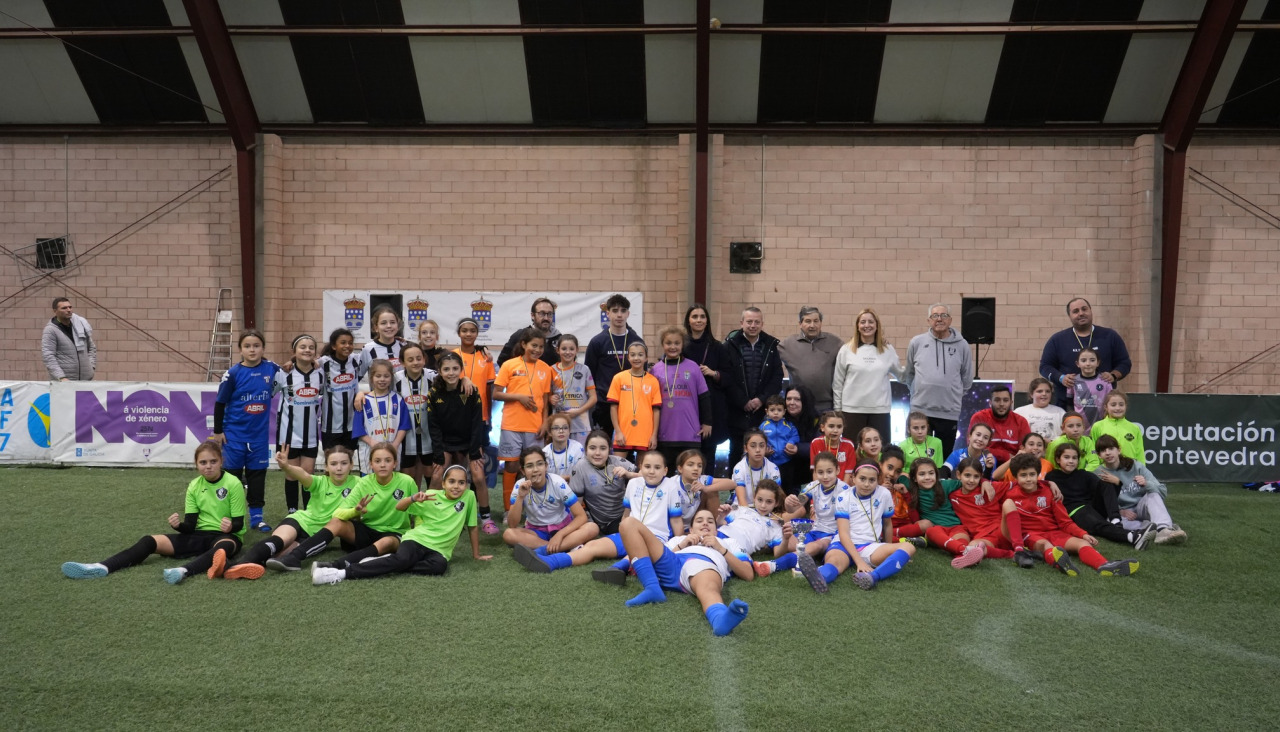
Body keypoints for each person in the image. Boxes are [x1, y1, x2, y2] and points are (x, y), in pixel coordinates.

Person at [61, 441, 244, 583]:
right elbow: (190, 526)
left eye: (213, 461)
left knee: (221, 549)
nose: (208, 466)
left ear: (221, 461)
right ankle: (101, 567)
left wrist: (230, 527)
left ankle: (183, 571)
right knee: (149, 541)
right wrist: (178, 526)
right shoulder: (194, 486)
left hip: (226, 537)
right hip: (198, 535)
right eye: (203, 462)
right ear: (196, 465)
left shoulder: (233, 483)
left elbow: (239, 524)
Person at [311, 464, 493, 585]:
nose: (456, 486)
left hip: (439, 551)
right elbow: (400, 507)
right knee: (402, 560)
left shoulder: (469, 497)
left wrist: (476, 554)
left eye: (461, 482)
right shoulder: (430, 496)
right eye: (451, 481)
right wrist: (413, 498)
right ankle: (341, 573)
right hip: (417, 540)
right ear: (443, 484)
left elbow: (472, 527)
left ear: (466, 485)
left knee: (439, 567)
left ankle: (381, 561)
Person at [512, 448, 669, 575]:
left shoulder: (671, 485)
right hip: (625, 534)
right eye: (647, 467)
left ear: (666, 470)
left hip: (655, 538)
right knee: (591, 546)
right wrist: (520, 497)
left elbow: (678, 518)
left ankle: (617, 568)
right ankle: (550, 558)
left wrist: (678, 543)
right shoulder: (634, 484)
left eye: (657, 467)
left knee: (595, 530)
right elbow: (626, 513)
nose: (651, 471)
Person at [265, 442, 414, 571]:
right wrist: (355, 511)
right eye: (378, 460)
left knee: (387, 542)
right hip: (367, 532)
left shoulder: (407, 482)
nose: (382, 464)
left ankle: (335, 566)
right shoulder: (364, 483)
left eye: (388, 460)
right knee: (336, 522)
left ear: (395, 463)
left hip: (393, 534)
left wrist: (417, 542)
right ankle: (294, 558)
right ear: (370, 464)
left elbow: (418, 514)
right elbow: (338, 513)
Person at [604, 510, 753, 637]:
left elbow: (748, 574)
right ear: (691, 529)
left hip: (704, 563)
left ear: (716, 530)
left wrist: (720, 548)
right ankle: (652, 588)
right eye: (699, 521)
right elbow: (653, 555)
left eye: (710, 521)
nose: (705, 523)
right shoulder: (679, 539)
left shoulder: (729, 542)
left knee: (706, 585)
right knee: (628, 523)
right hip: (673, 562)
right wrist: (682, 545)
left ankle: (719, 619)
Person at [223, 446, 357, 580]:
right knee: (278, 541)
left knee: (278, 556)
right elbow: (303, 475)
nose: (339, 468)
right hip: (299, 520)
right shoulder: (320, 481)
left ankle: (237, 567)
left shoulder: (358, 484)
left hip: (316, 536)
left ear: (351, 465)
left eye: (344, 463)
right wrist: (287, 466)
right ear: (326, 467)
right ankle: (235, 566)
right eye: (333, 464)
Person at [1002, 453, 1138, 577]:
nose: (1028, 479)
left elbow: (1065, 521)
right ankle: (1061, 563)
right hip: (1030, 535)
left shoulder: (1051, 491)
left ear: (1038, 474)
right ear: (1015, 477)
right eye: (1023, 475)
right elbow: (990, 485)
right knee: (1046, 545)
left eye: (1032, 474)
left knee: (1082, 543)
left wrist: (1082, 534)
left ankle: (1104, 565)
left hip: (1055, 532)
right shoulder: (1008, 491)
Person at [798, 462, 915, 592]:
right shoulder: (843, 497)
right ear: (853, 478)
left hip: (870, 547)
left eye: (872, 480)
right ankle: (821, 578)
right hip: (843, 544)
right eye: (862, 479)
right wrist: (859, 562)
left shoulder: (884, 494)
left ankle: (872, 576)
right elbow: (843, 534)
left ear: (878, 480)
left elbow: (887, 524)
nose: (867, 484)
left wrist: (890, 552)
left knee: (908, 547)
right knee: (834, 562)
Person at [212, 329, 280, 533]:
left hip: (259, 437)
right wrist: (218, 431)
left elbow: (291, 370)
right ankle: (229, 517)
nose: (252, 350)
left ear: (263, 348)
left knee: (257, 477)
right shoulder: (232, 374)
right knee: (231, 478)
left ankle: (257, 518)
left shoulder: (272, 368)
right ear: (240, 349)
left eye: (256, 346)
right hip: (234, 435)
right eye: (247, 346)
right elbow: (220, 403)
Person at [1046, 442, 1157, 553]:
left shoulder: (1083, 474)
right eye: (1066, 457)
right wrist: (1050, 483)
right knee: (1100, 524)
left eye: (1074, 458)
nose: (1071, 461)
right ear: (1058, 459)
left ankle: (1116, 521)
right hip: (1075, 513)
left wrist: (1117, 483)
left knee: (1106, 482)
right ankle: (1133, 537)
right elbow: (1042, 488)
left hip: (1092, 508)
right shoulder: (1052, 476)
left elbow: (1106, 492)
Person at [427, 351, 495, 532]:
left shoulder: (471, 390)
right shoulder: (433, 393)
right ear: (439, 371)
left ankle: (486, 518)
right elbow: (433, 426)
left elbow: (476, 423)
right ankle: (429, 514)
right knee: (437, 476)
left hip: (468, 441)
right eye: (446, 369)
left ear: (461, 370)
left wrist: (475, 451)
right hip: (446, 442)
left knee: (478, 476)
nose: (451, 373)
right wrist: (438, 452)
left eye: (455, 369)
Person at [493, 330, 562, 507]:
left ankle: (534, 506)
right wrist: (519, 397)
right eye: (534, 345)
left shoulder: (545, 368)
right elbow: (496, 394)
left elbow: (545, 400)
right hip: (511, 425)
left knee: (534, 467)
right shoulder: (509, 365)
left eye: (541, 346)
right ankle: (509, 508)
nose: (537, 350)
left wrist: (545, 422)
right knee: (511, 466)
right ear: (524, 344)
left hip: (535, 426)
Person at [901, 304, 972, 456]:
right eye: (935, 316)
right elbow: (909, 374)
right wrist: (918, 392)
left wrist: (953, 395)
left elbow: (967, 378)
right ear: (928, 320)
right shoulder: (916, 342)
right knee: (916, 458)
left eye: (944, 315)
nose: (939, 319)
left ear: (950, 320)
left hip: (948, 412)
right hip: (920, 411)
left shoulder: (962, 345)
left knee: (943, 458)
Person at [1039, 297, 1132, 410]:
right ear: (1069, 316)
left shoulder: (1110, 336)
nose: (1081, 313)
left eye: (1084, 309)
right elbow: (1044, 367)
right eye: (1075, 311)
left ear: (1090, 311)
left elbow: (1124, 363)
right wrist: (1061, 378)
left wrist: (1113, 375)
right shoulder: (1057, 340)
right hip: (1068, 405)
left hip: (1104, 406)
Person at [1094, 435, 1187, 545]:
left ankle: (1163, 529)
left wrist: (1146, 484)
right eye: (1103, 450)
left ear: (1118, 450)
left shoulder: (1135, 465)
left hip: (1141, 507)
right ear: (1099, 455)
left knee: (1153, 494)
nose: (1108, 453)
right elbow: (1098, 505)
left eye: (1111, 448)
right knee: (1111, 521)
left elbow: (1162, 491)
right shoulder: (1097, 474)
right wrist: (1119, 511)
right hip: (1124, 514)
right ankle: (1156, 529)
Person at [504, 448, 598, 551]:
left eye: (540, 464)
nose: (535, 469)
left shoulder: (558, 483)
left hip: (563, 527)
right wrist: (520, 497)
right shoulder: (520, 486)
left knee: (592, 527)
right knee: (508, 534)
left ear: (546, 466)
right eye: (529, 466)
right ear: (523, 471)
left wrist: (560, 535)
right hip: (536, 531)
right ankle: (558, 547)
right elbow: (512, 524)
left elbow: (581, 516)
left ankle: (544, 549)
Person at [723, 307, 783, 470]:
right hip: (736, 410)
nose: (753, 325)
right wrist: (743, 401)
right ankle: (734, 485)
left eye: (757, 322)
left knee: (761, 452)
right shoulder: (729, 346)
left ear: (762, 324)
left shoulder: (771, 346)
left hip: (761, 412)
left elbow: (777, 377)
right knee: (736, 452)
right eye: (749, 321)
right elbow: (727, 377)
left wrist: (761, 400)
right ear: (741, 323)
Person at [832, 308, 902, 442]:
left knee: (880, 450)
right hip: (851, 410)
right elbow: (838, 382)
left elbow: (901, 375)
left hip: (880, 410)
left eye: (871, 322)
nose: (867, 325)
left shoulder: (887, 349)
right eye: (863, 322)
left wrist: (915, 365)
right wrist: (838, 410)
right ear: (857, 326)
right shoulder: (846, 350)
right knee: (853, 450)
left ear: (877, 325)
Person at [683, 304, 736, 474]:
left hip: (712, 408)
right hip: (687, 406)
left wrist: (713, 373)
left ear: (707, 321)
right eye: (694, 316)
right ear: (688, 321)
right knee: (687, 454)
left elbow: (729, 377)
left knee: (708, 453)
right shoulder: (681, 346)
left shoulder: (718, 347)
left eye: (702, 316)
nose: (699, 320)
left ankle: (707, 487)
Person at [275, 334, 325, 513]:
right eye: (302, 347)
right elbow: (269, 393)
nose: (307, 350)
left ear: (315, 352)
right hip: (288, 435)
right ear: (294, 351)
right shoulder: (284, 373)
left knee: (308, 475)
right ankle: (292, 511)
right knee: (291, 474)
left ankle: (309, 511)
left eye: (311, 347)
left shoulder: (320, 374)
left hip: (310, 434)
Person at [651, 326, 711, 474]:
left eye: (677, 343)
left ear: (683, 344)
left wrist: (707, 422)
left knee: (692, 475)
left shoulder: (693, 367)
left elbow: (704, 396)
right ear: (662, 344)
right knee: (667, 476)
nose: (673, 347)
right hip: (665, 433)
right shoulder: (656, 370)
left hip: (690, 433)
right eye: (668, 343)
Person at [586, 294, 643, 437]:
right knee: (602, 443)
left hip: (630, 403)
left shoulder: (636, 341)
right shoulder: (597, 342)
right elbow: (589, 375)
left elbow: (643, 372)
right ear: (608, 313)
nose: (619, 315)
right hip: (603, 403)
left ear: (628, 314)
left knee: (627, 444)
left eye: (623, 311)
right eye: (615, 310)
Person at [945, 456, 1018, 564]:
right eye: (967, 475)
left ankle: (1018, 550)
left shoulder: (990, 487)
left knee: (1009, 504)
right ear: (958, 475)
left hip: (1001, 530)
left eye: (976, 476)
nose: (971, 480)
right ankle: (1010, 554)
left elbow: (1018, 484)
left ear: (981, 476)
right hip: (982, 537)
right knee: (972, 547)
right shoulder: (953, 495)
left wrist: (985, 481)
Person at [567, 431, 638, 536]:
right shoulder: (580, 468)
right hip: (608, 523)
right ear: (586, 449)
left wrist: (629, 474)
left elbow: (647, 477)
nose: (597, 453)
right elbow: (576, 506)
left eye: (603, 448)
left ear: (609, 449)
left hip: (631, 513)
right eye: (592, 448)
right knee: (632, 534)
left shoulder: (618, 461)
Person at [777, 306, 842, 413]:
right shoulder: (787, 345)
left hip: (827, 406)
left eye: (816, 321)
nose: (812, 325)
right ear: (800, 324)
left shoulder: (835, 343)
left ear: (821, 323)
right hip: (799, 407)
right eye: (808, 321)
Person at [353, 359, 410, 473]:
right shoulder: (363, 401)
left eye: (386, 376)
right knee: (369, 481)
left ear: (391, 377)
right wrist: (372, 443)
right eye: (378, 376)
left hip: (393, 448)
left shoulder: (398, 400)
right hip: (369, 449)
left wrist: (395, 444)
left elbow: (404, 426)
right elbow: (358, 429)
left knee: (391, 480)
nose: (382, 379)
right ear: (371, 378)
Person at [607, 341, 662, 459]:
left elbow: (656, 410)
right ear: (628, 358)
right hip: (623, 434)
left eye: (640, 355)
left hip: (645, 435)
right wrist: (618, 432)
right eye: (632, 355)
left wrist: (654, 435)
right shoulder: (618, 378)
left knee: (644, 469)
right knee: (618, 468)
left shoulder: (653, 381)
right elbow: (613, 407)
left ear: (646, 358)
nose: (636, 358)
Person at [394, 343, 437, 488]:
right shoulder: (395, 379)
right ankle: (411, 501)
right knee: (407, 475)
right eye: (410, 359)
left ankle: (431, 500)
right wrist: (361, 394)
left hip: (429, 434)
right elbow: (379, 392)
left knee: (430, 471)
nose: (415, 362)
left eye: (419, 358)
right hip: (406, 436)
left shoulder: (433, 376)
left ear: (424, 359)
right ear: (402, 362)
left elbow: (454, 379)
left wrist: (465, 380)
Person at [318, 328, 366, 453]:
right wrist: (292, 361)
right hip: (331, 425)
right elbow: (306, 363)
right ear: (334, 346)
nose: (347, 346)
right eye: (343, 343)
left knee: (348, 459)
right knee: (331, 460)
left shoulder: (356, 360)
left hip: (352, 423)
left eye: (350, 343)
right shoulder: (324, 363)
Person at [551, 334, 596, 448]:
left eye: (571, 349)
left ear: (577, 350)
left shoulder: (584, 369)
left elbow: (593, 398)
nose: (568, 352)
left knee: (581, 455)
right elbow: (545, 395)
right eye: (564, 349)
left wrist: (578, 411)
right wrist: (550, 398)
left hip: (581, 424)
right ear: (557, 350)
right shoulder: (551, 370)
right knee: (561, 455)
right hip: (559, 424)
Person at [967, 385, 1031, 464]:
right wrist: (1005, 455)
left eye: (1005, 400)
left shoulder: (1021, 421)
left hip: (1013, 465)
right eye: (997, 400)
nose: (1001, 404)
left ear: (1011, 402)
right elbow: (972, 444)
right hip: (983, 462)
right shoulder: (979, 417)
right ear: (990, 403)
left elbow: (1025, 450)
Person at [453, 317, 496, 428]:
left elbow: (488, 390)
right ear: (459, 333)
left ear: (477, 334)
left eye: (472, 331)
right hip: (456, 411)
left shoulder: (485, 357)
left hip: (480, 413)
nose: (468, 334)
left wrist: (489, 416)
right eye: (464, 331)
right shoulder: (452, 356)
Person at [497, 297, 564, 368]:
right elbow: (502, 361)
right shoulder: (520, 335)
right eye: (542, 313)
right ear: (532, 315)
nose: (546, 318)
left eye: (550, 314)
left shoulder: (559, 339)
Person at [42, 297, 95, 381]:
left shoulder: (80, 325)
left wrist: (91, 367)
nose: (69, 310)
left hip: (85, 380)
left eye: (70, 307)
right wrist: (61, 377)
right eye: (64, 308)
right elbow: (48, 356)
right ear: (55, 311)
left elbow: (91, 348)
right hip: (64, 382)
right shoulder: (51, 330)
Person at [1090, 391, 1145, 464]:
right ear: (1106, 407)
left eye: (1121, 405)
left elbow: (1140, 453)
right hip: (1106, 469)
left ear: (1126, 406)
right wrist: (1098, 468)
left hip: (1129, 469)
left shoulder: (1134, 428)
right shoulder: (1098, 426)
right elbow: (1094, 452)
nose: (1118, 408)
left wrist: (1141, 469)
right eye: (1113, 405)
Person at [731, 430, 780, 506]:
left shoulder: (773, 468)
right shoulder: (739, 468)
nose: (758, 450)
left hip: (764, 507)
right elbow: (741, 500)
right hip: (742, 507)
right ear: (746, 448)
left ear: (766, 447)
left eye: (762, 446)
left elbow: (776, 496)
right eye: (753, 446)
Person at [759, 395, 800, 480]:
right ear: (767, 411)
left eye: (779, 410)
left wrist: (791, 442)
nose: (776, 413)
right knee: (771, 484)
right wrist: (763, 450)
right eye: (772, 410)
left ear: (784, 411)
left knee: (787, 484)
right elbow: (758, 440)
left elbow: (795, 436)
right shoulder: (763, 426)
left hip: (786, 461)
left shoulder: (789, 425)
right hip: (769, 461)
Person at [810, 411, 856, 485]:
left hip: (842, 487)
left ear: (843, 428)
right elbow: (815, 471)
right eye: (831, 426)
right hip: (822, 486)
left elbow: (848, 473)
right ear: (822, 427)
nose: (835, 430)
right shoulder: (815, 443)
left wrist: (842, 489)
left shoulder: (849, 445)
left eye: (839, 427)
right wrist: (818, 489)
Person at [1072, 348, 1112, 430]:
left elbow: (1110, 403)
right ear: (1077, 363)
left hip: (1101, 426)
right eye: (1083, 360)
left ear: (1098, 363)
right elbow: (1069, 402)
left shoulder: (1105, 381)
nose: (1088, 364)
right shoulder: (1073, 381)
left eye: (1092, 360)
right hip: (1080, 427)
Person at [1015, 377, 1065, 442]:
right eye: (1039, 391)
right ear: (1031, 394)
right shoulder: (1019, 412)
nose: (1044, 394)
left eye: (1047, 391)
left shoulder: (1060, 412)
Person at [362, 304, 406, 371]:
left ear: (398, 325)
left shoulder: (404, 346)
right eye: (383, 323)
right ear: (376, 328)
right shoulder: (368, 349)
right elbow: (359, 374)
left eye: (392, 322)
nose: (389, 326)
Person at [542, 413, 585, 481]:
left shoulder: (577, 447)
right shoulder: (545, 452)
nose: (561, 431)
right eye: (556, 428)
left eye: (565, 428)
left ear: (569, 431)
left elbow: (582, 473)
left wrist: (567, 478)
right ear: (550, 432)